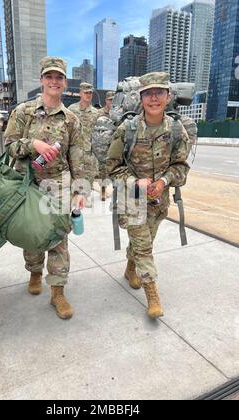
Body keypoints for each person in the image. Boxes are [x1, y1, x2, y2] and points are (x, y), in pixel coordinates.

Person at [4, 56, 86, 320]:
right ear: (41, 80)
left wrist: (81, 191)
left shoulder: (72, 119)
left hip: (58, 187)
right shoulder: (23, 112)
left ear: (64, 82)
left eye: (59, 77)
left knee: (59, 238)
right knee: (31, 235)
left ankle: (58, 292)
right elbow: (9, 147)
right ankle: (35, 271)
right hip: (28, 184)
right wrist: (34, 145)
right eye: (49, 76)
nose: (54, 81)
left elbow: (79, 156)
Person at [107, 72, 190, 319]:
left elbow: (181, 166)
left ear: (168, 96)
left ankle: (130, 268)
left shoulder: (176, 129)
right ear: (141, 98)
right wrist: (136, 183)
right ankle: (152, 294)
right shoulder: (128, 129)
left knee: (146, 242)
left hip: (158, 201)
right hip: (132, 201)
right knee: (144, 247)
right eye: (148, 93)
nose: (154, 98)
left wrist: (164, 181)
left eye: (159, 92)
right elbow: (111, 168)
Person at [68, 83, 99, 207]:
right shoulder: (71, 109)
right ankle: (76, 195)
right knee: (74, 172)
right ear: (80, 93)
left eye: (90, 93)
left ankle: (86, 196)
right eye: (86, 92)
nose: (88, 95)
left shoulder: (96, 113)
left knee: (89, 174)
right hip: (74, 148)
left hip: (89, 149)